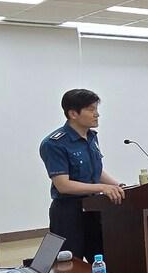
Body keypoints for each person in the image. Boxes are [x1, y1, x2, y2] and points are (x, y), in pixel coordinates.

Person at [40, 88, 125, 261]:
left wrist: (119, 186)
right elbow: (63, 185)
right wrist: (103, 187)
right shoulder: (54, 143)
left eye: (96, 109)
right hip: (68, 212)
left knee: (102, 260)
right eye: (91, 110)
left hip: (94, 208)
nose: (97, 114)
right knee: (71, 265)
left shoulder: (92, 137)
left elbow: (96, 170)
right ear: (73, 113)